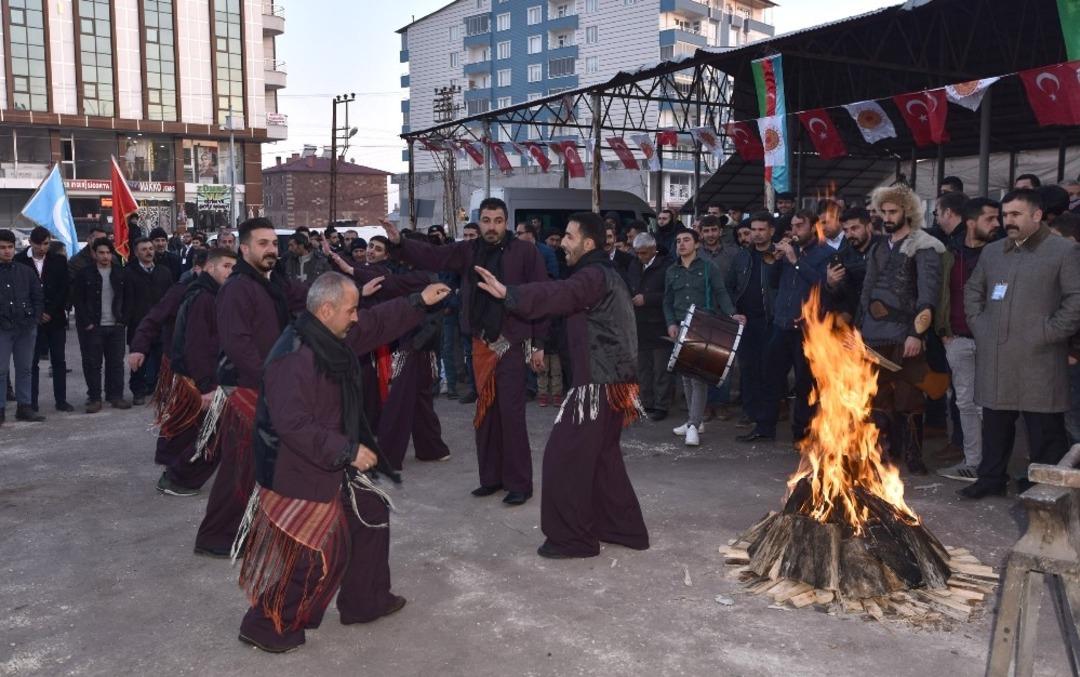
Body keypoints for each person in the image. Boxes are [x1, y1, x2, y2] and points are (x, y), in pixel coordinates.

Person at [234, 272, 450, 653]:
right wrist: (347, 450)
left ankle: (366, 601)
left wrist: (420, 301)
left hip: (330, 457)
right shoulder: (293, 356)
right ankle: (264, 625)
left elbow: (377, 322)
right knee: (317, 553)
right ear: (327, 308)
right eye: (351, 310)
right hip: (297, 468)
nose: (356, 318)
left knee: (372, 512)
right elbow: (292, 425)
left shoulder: (332, 335)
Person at [474, 211, 649, 559]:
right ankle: (623, 529)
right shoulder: (601, 274)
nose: (562, 244)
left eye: (569, 237)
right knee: (603, 460)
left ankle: (574, 540)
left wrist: (510, 293)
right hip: (610, 383)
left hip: (598, 386)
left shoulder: (594, 275)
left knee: (562, 459)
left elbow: (561, 294)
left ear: (588, 243)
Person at [383, 198, 549, 506]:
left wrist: (539, 344)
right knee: (484, 413)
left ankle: (519, 484)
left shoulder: (526, 252)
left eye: (498, 221)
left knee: (511, 415)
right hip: (478, 342)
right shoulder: (468, 250)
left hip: (511, 342)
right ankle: (491, 479)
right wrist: (399, 243)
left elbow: (541, 297)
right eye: (486, 220)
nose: (491, 227)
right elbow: (434, 256)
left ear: (506, 222)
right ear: (479, 221)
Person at [193, 218, 307, 557]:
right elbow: (238, 344)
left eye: (274, 243)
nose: (272, 249)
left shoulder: (269, 283)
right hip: (247, 388)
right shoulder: (237, 287)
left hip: (267, 385)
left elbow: (306, 299)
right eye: (263, 243)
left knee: (256, 465)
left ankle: (245, 530)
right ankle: (216, 536)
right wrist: (270, 379)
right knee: (240, 467)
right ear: (244, 249)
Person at [960, 189, 1080, 499]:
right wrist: (980, 324)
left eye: (1016, 215)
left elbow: (1076, 299)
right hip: (997, 354)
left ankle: (1043, 486)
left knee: (1044, 428)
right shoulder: (993, 252)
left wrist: (1050, 332)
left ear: (1037, 215)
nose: (1007, 221)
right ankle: (991, 479)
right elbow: (973, 291)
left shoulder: (1062, 252)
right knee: (996, 423)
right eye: (1005, 214)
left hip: (1039, 355)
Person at [859, 184, 945, 475]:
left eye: (893, 211)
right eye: (884, 211)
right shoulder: (878, 246)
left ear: (907, 211)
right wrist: (859, 330)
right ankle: (882, 452)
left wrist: (916, 334)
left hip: (904, 333)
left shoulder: (924, 245)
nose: (887, 217)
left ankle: (914, 457)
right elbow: (867, 291)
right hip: (873, 334)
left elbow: (928, 296)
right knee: (877, 396)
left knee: (909, 398)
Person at [738, 209, 831, 444]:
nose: (795, 231)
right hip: (781, 323)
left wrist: (796, 261)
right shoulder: (789, 251)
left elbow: (823, 285)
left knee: (803, 383)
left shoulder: (826, 254)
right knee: (770, 377)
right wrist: (777, 260)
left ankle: (802, 432)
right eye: (793, 226)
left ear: (813, 227)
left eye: (800, 226)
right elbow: (773, 282)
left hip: (807, 329)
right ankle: (764, 427)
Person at [154, 247, 237, 496]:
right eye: (225, 266)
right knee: (214, 434)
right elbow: (197, 345)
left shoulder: (211, 294)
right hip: (200, 380)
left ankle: (173, 473)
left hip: (198, 378)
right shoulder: (204, 298)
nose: (231, 271)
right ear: (209, 267)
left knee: (189, 429)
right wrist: (206, 387)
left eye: (234, 267)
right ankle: (179, 479)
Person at [934, 197, 1000, 483]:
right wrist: (945, 332)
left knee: (990, 406)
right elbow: (942, 294)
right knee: (964, 403)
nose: (998, 224)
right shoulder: (952, 254)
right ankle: (972, 462)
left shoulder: (1000, 254)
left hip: (992, 342)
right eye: (990, 219)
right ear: (971, 222)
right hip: (958, 340)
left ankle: (992, 466)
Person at [663, 228, 741, 446]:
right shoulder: (671, 271)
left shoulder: (709, 267)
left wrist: (732, 314)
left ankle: (694, 425)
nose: (681, 244)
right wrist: (670, 323)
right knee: (685, 375)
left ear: (697, 244)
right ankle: (693, 420)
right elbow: (667, 301)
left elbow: (721, 293)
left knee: (698, 378)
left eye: (686, 240)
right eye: (678, 241)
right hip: (680, 326)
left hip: (703, 325)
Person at [130, 248, 207, 468]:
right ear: (197, 268)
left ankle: (197, 457)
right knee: (178, 414)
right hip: (178, 365)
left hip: (206, 366)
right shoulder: (180, 291)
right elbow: (153, 319)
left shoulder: (224, 292)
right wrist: (138, 348)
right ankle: (168, 459)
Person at [725, 212, 777, 429]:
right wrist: (733, 311)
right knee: (748, 369)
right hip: (745, 322)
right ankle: (749, 411)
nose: (756, 234)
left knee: (769, 369)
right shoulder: (742, 256)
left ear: (771, 231)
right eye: (753, 230)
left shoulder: (780, 255)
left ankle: (767, 414)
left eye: (761, 229)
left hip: (771, 321)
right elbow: (729, 286)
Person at [14, 227, 71, 413]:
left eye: (46, 244)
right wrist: (36, 313)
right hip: (31, 320)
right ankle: (32, 402)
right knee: (32, 362)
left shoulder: (59, 260)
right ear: (30, 242)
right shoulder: (20, 260)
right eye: (38, 244)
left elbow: (64, 288)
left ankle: (61, 400)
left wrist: (50, 311)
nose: (42, 248)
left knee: (59, 360)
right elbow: (20, 291)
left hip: (55, 318)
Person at [72, 238, 131, 413]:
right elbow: (78, 300)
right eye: (101, 253)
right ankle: (95, 397)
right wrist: (87, 323)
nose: (105, 256)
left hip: (116, 326)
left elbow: (128, 298)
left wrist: (123, 321)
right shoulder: (85, 274)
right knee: (93, 364)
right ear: (94, 254)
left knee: (116, 363)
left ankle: (116, 396)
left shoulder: (120, 273)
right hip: (94, 326)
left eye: (108, 252)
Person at [0, 228, 45, 425]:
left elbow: (37, 297)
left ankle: (24, 407)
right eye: (2, 248)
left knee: (25, 368)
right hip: (2, 329)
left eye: (10, 247)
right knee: (0, 371)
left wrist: (34, 319)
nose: (7, 251)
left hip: (25, 328)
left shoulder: (25, 271)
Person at [124, 237, 175, 405]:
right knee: (139, 361)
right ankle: (138, 391)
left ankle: (159, 390)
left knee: (162, 361)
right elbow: (126, 300)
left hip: (161, 325)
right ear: (137, 252)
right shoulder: (129, 273)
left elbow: (170, 298)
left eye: (150, 249)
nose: (148, 252)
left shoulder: (163, 272)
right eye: (144, 249)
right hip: (139, 324)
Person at [627, 232, 672, 422]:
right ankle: (647, 402)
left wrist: (647, 299)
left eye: (643, 253)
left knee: (661, 367)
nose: (640, 257)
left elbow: (670, 294)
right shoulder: (634, 265)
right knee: (643, 367)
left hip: (659, 323)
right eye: (637, 253)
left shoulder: (666, 266)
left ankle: (662, 405)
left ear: (654, 250)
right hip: (639, 323)